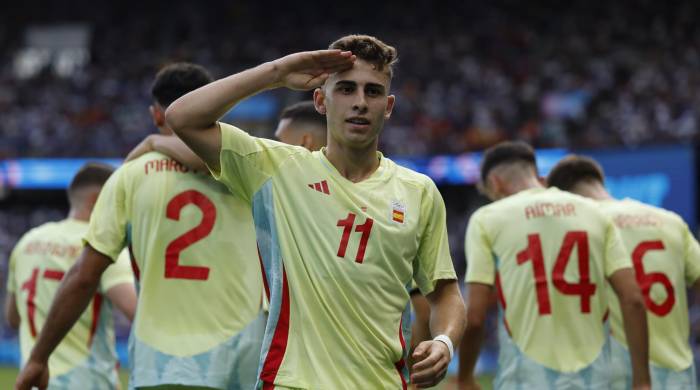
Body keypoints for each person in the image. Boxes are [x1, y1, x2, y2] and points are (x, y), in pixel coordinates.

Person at [165, 34, 466, 389]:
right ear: (321, 101)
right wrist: (277, 72)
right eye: (346, 89)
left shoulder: (419, 192)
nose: (359, 103)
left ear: (387, 106)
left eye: (372, 92)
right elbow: (182, 117)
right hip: (294, 382)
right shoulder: (275, 169)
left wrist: (444, 342)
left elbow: (445, 294)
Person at [15, 63, 265, 390]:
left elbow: (84, 276)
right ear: (215, 106)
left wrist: (38, 356)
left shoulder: (129, 175)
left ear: (156, 114)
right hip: (243, 357)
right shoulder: (248, 167)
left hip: (162, 362)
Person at [458, 141, 650, 390]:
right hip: (595, 379)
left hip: (524, 378)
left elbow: (474, 317)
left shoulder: (487, 218)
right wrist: (643, 380)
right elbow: (633, 299)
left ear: (495, 183)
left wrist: (465, 378)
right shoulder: (596, 212)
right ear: (539, 177)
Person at [547, 154, 700, 389]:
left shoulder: (578, 228)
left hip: (613, 375)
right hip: (677, 375)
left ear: (563, 197)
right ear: (599, 182)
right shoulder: (672, 221)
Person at [6, 162, 136, 389]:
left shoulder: (27, 241)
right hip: (87, 381)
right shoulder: (102, 245)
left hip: (35, 379)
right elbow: (136, 312)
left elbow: (13, 318)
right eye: (120, 200)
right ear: (97, 200)